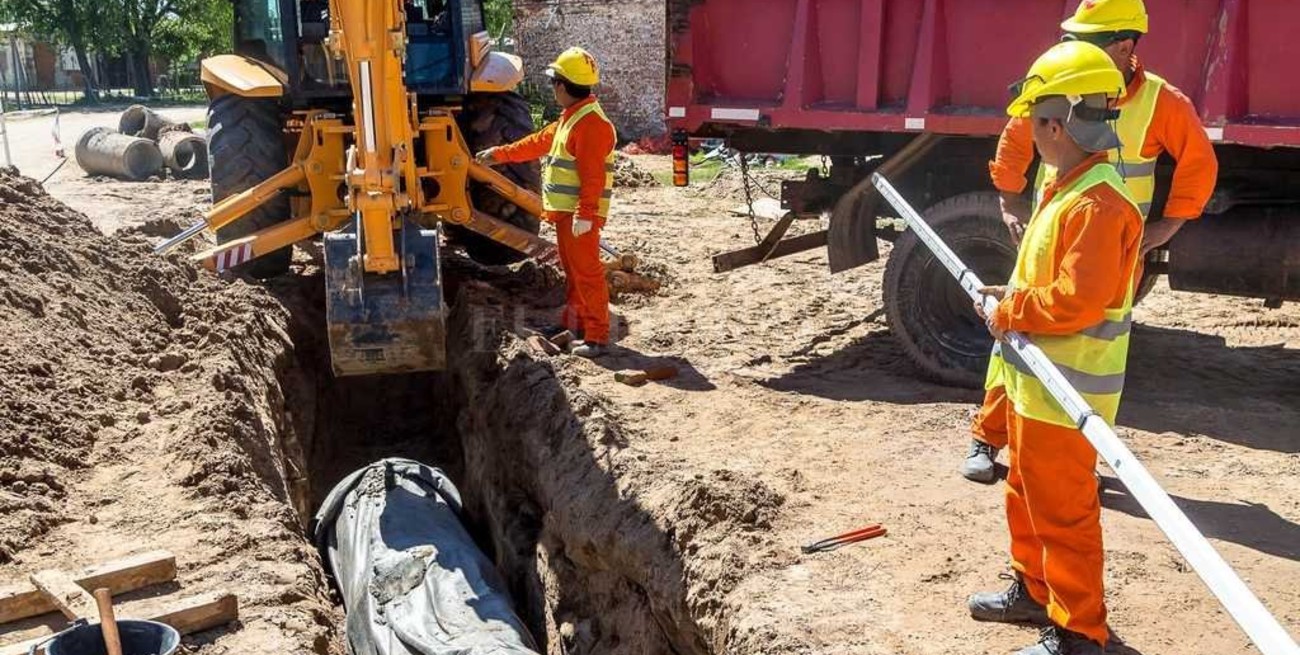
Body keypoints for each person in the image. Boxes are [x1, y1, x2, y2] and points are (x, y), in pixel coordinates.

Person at [962, 0, 1218, 483]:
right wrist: (1009, 199)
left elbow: (1199, 164)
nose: (1073, 46)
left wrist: (1168, 227)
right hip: (1051, 238)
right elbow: (1017, 137)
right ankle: (987, 438)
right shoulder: (1066, 82)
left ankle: (1071, 458)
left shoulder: (1162, 101)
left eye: (1087, 40)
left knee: (1090, 356)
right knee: (1014, 342)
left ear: (1124, 47)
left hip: (1107, 252)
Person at [965, 40, 1144, 655]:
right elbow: (1047, 281)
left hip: (1067, 395)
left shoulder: (1097, 203)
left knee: (1064, 515)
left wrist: (1010, 310)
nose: (1028, 132)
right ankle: (1035, 591)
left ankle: (1078, 633)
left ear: (1055, 123)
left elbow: (1076, 302)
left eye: (1032, 120)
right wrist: (1008, 293)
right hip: (1034, 385)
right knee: (1026, 494)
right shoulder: (1068, 187)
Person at [476, 47, 617, 358]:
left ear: (563, 86)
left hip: (580, 217)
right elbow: (537, 142)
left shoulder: (591, 125)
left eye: (554, 83)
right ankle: (577, 325)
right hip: (568, 215)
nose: (553, 89)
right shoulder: (572, 119)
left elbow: (592, 177)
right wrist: (498, 154)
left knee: (587, 273)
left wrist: (586, 214)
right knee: (574, 270)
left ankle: (597, 336)